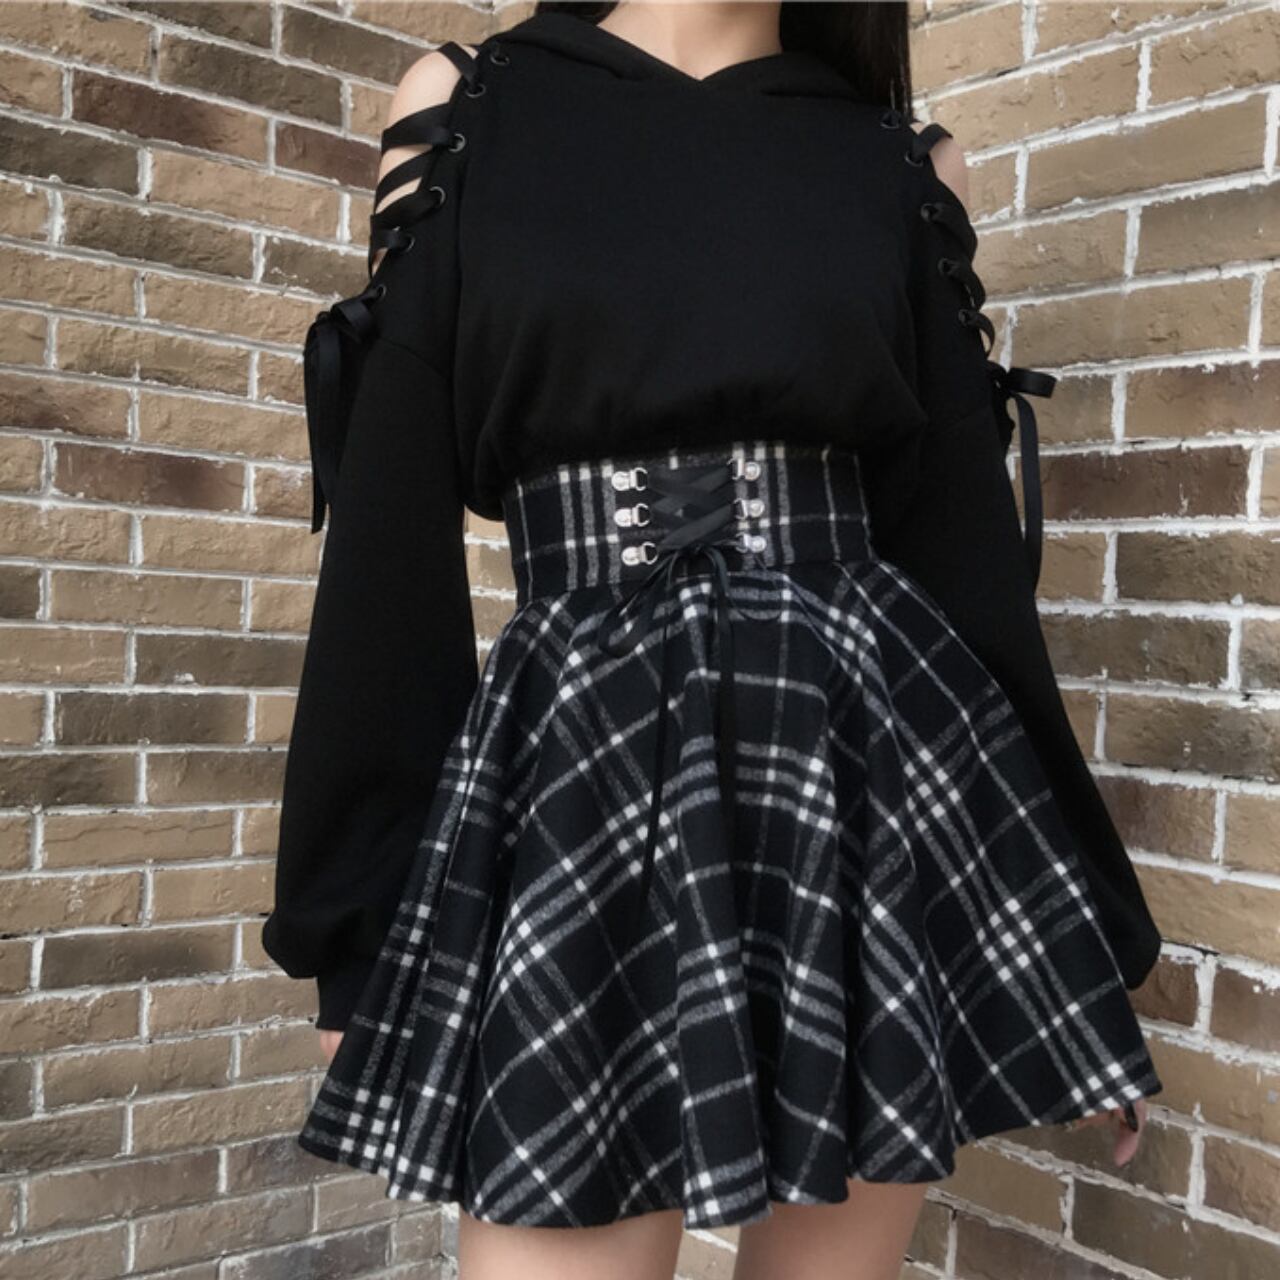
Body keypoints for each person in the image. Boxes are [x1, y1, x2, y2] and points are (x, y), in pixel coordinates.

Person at [261, 4, 1164, 1277]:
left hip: (856, 779)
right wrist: (351, 934)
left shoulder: (901, 163)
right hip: (580, 766)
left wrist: (1087, 937)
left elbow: (965, 561)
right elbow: (386, 539)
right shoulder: (468, 110)